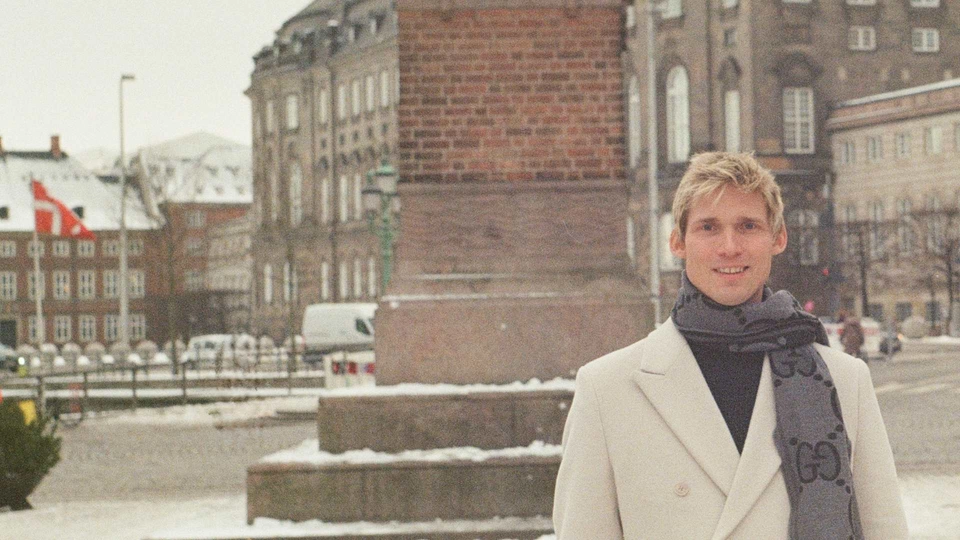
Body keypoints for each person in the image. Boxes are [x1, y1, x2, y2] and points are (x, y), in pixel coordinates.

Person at [553, 152, 907, 540]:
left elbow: (884, 528)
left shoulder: (844, 380)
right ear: (677, 241)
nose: (729, 247)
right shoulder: (607, 388)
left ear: (778, 237)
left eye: (748, 226)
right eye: (708, 227)